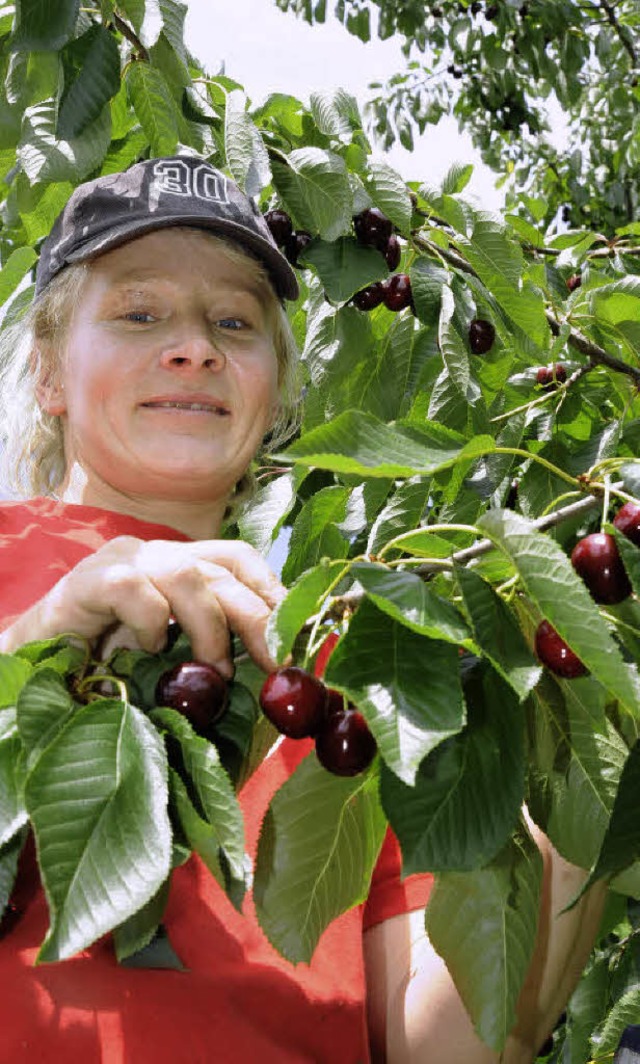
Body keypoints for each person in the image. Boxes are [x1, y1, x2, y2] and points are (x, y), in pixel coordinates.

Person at [0, 155, 605, 1063]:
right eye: (139, 312)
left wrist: (587, 741)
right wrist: (37, 644)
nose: (195, 346)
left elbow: (455, 1044)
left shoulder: (358, 681)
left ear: (278, 388)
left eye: (235, 322)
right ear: (48, 370)